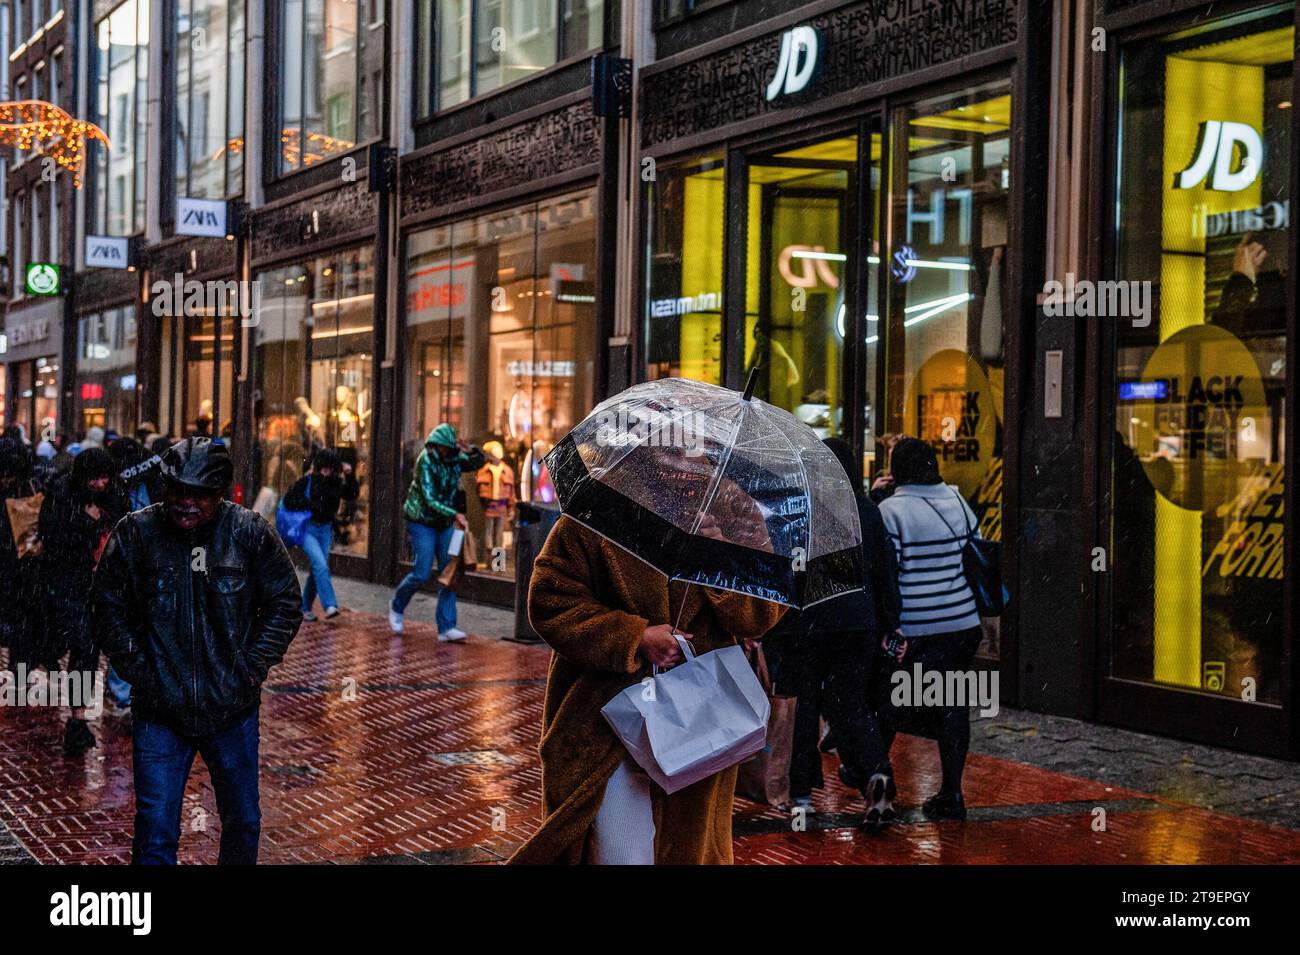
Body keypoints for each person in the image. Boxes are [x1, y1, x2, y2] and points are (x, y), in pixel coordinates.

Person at [508, 491, 786, 865]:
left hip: (698, 721)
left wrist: (718, 554)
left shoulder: (731, 505)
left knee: (685, 849)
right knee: (619, 854)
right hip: (604, 723)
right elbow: (549, 599)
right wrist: (633, 637)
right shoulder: (601, 504)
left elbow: (759, 615)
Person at [91, 437, 302, 865]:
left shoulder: (248, 533)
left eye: (200, 493)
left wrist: (251, 664)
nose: (187, 502)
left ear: (220, 492)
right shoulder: (136, 533)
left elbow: (284, 603)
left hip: (232, 709)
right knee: (155, 830)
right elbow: (105, 607)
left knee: (243, 822)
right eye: (177, 491)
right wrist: (139, 666)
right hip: (160, 710)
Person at [768, 437, 902, 826]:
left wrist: (776, 624)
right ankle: (878, 771)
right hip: (858, 622)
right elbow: (884, 572)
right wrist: (890, 622)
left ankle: (802, 798)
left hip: (809, 622)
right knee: (853, 703)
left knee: (805, 707)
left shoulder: (802, 510)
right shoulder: (866, 510)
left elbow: (787, 570)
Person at [877, 437, 984, 821]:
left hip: (915, 628)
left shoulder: (891, 511)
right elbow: (975, 551)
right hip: (962, 623)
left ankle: (878, 784)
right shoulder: (958, 502)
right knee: (953, 705)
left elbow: (892, 572)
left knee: (888, 703)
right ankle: (953, 794)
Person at [35, 447, 130, 755]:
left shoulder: (114, 494)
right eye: (95, 479)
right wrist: (88, 524)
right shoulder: (62, 493)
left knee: (87, 652)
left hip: (102, 586)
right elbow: (53, 538)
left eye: (105, 478)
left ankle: (78, 720)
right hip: (68, 585)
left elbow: (124, 529)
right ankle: (76, 718)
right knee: (80, 646)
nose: (101, 484)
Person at [390, 424, 484, 640]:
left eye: (446, 448)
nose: (442, 451)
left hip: (445, 522)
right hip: (421, 519)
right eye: (440, 447)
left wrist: (470, 449)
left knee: (448, 571)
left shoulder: (455, 459)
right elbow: (429, 498)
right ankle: (396, 605)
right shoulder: (426, 459)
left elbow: (478, 462)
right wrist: (455, 514)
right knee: (421, 572)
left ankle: (446, 626)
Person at [281, 448, 359, 621]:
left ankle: (304, 608)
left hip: (325, 531)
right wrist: (309, 504)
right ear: (318, 466)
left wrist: (351, 475)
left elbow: (352, 494)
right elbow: (288, 500)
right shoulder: (307, 481)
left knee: (318, 568)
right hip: (308, 529)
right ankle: (330, 605)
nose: (326, 470)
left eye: (330, 467)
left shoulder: (336, 482)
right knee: (321, 566)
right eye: (324, 466)